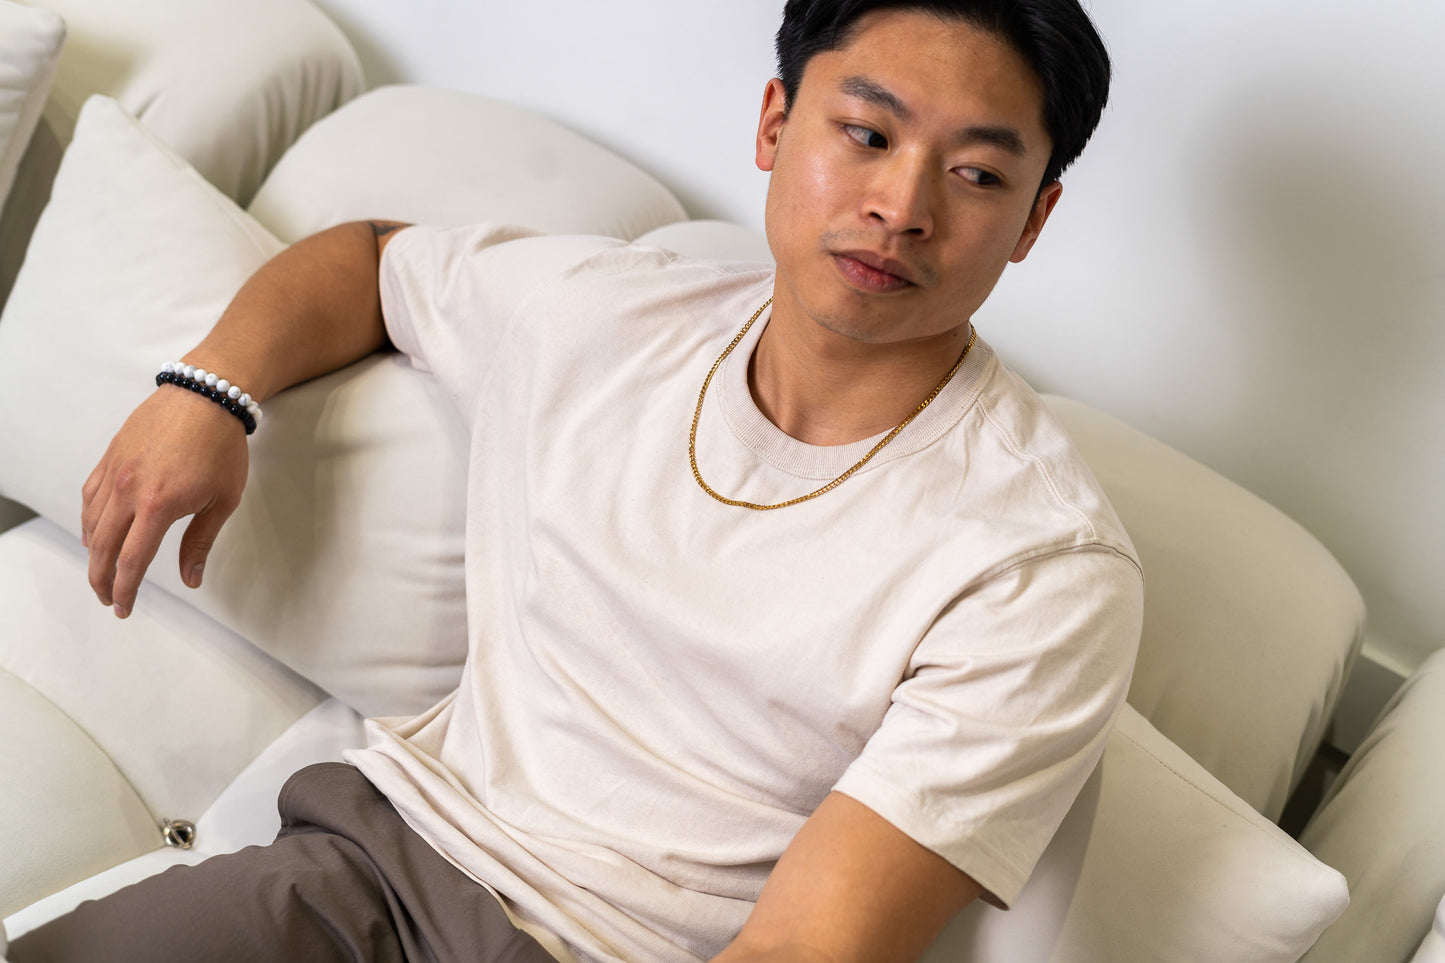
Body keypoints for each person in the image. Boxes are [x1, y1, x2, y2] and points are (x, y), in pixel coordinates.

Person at [11, 1, 1142, 961]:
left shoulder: (1036, 565)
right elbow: (367, 257)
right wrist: (208, 393)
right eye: (862, 133)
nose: (902, 207)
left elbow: (804, 948)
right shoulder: (604, 315)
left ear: (1032, 218)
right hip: (366, 874)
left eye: (976, 172)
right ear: (774, 122)